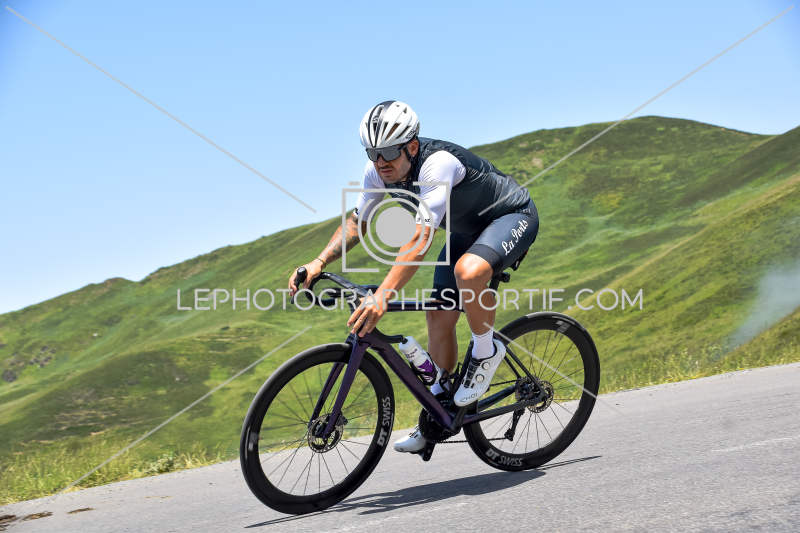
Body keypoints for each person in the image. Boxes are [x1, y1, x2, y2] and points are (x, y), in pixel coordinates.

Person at [289, 101, 538, 453]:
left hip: (511, 216)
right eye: (372, 152)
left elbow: (421, 238)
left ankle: (486, 351)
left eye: (389, 152)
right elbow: (358, 222)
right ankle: (440, 408)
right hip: (467, 233)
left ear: (412, 146)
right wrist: (319, 261)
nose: (380, 161)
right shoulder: (377, 172)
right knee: (437, 313)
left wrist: (383, 296)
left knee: (468, 273)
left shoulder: (438, 164)